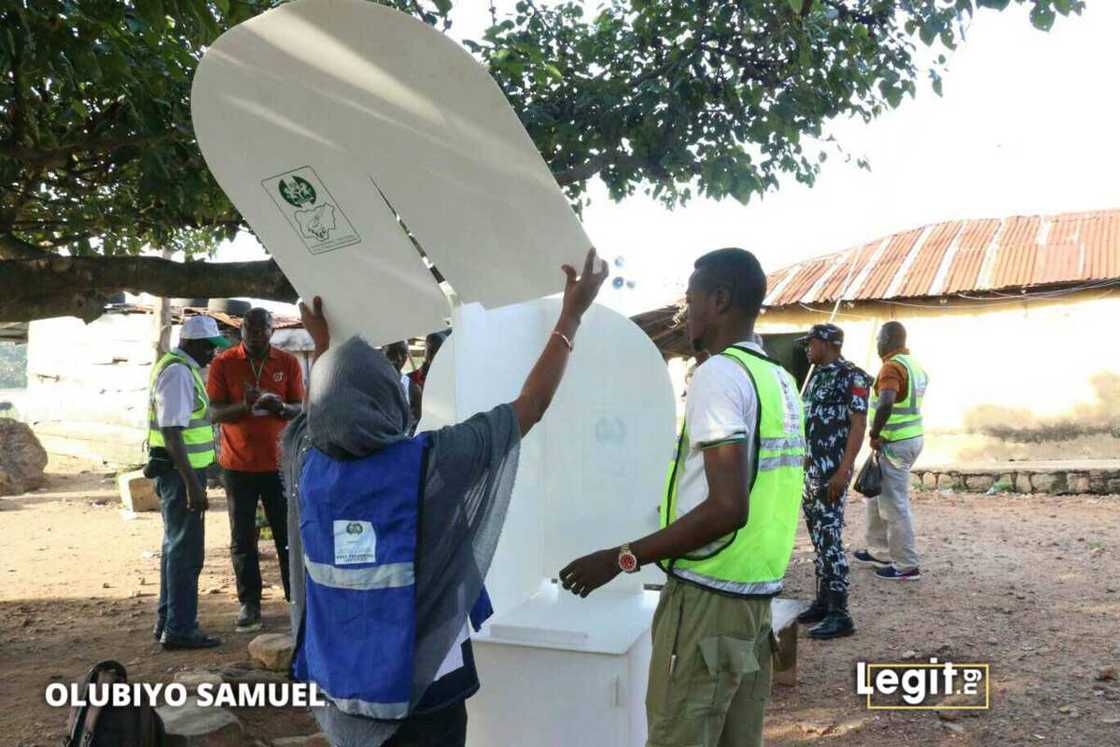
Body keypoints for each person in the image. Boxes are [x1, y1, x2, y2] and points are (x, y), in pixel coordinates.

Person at [283, 249, 607, 746]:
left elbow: (325, 410)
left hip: (345, 686)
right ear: (389, 399)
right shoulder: (432, 463)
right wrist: (571, 316)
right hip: (428, 683)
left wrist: (327, 348)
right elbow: (532, 406)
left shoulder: (305, 461)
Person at [559, 248, 804, 747]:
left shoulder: (719, 375)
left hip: (707, 601)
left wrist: (622, 557)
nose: (685, 312)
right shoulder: (779, 379)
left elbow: (727, 507)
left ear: (719, 300)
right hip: (753, 598)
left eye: (690, 299)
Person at [208, 308, 304, 632]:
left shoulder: (287, 363)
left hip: (278, 465)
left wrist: (279, 407)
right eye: (250, 329)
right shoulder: (224, 363)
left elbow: (298, 408)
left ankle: (297, 598)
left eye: (262, 329)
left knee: (286, 534)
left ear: (271, 331)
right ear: (242, 330)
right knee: (242, 538)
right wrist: (245, 407)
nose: (256, 335)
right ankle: (250, 604)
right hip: (238, 466)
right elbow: (214, 412)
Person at [148, 315, 231, 650]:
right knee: (185, 553)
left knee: (175, 548)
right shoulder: (180, 373)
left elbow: (195, 419)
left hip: (179, 474)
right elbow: (171, 432)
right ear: (193, 344)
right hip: (181, 476)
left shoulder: (180, 369)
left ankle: (168, 622)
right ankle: (180, 628)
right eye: (210, 347)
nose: (214, 354)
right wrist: (193, 486)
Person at [796, 323, 871, 640]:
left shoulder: (852, 376)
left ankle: (841, 614)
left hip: (831, 473)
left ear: (827, 343)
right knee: (818, 540)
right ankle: (824, 602)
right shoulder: (816, 377)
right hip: (810, 473)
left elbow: (858, 425)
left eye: (810, 342)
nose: (807, 348)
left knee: (831, 541)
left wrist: (844, 471)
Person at [855, 320, 928, 582]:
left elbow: (886, 402)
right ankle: (879, 551)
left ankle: (906, 565)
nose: (876, 343)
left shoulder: (891, 368)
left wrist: (875, 433)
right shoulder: (914, 366)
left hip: (894, 441)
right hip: (909, 438)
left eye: (878, 339)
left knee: (894, 504)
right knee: (875, 496)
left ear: (888, 339)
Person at [385, 340, 422, 428]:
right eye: (392, 352)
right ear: (383, 352)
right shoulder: (372, 382)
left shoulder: (413, 389)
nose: (399, 358)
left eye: (403, 353)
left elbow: (417, 423)